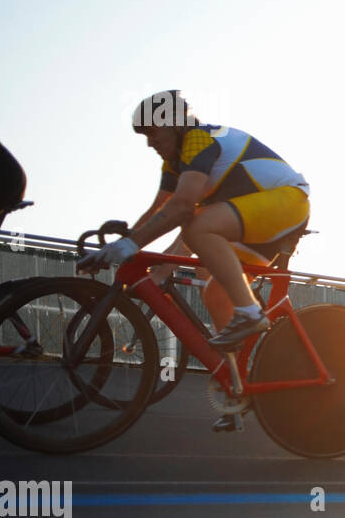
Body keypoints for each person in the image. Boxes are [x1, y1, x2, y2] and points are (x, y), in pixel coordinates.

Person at [78, 89, 310, 357]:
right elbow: (158, 212)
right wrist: (123, 245)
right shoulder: (174, 163)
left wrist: (133, 246)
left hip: (289, 203)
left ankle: (250, 313)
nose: (149, 143)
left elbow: (183, 207)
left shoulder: (198, 140)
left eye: (152, 133)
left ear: (175, 125)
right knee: (216, 295)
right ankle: (238, 380)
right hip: (260, 220)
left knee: (197, 227)